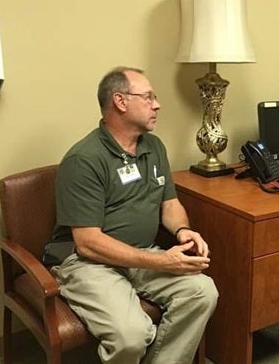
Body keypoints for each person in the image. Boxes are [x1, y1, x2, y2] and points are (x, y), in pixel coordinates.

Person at [49, 66, 218, 364]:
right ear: (120, 101)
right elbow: (87, 243)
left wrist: (182, 231)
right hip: (89, 263)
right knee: (131, 335)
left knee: (202, 291)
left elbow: (170, 203)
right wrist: (161, 260)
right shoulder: (84, 160)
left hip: (142, 253)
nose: (157, 104)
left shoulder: (153, 147)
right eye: (148, 97)